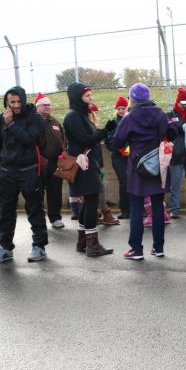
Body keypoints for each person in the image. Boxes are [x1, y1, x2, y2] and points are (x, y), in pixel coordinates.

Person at [111, 83, 174, 260]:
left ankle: (136, 249)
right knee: (157, 206)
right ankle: (159, 247)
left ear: (132, 98)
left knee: (136, 208)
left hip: (137, 167)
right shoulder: (160, 114)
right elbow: (169, 133)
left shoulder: (129, 118)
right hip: (157, 164)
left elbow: (117, 142)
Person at [0, 86, 48, 264]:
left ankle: (39, 246)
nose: (15, 105)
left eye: (17, 102)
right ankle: (5, 247)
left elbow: (29, 139)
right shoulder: (2, 118)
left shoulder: (34, 117)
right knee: (5, 212)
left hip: (29, 170)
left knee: (35, 209)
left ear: (23, 100)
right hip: (6, 172)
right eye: (11, 102)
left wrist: (11, 124)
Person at [62, 83, 115, 258]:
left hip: (87, 164)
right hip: (84, 166)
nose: (90, 99)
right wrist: (105, 132)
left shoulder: (79, 115)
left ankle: (83, 242)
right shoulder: (73, 116)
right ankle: (92, 246)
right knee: (91, 203)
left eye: (91, 96)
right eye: (87, 96)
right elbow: (85, 140)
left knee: (88, 203)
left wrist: (102, 131)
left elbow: (87, 137)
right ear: (77, 98)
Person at [33, 92, 67, 229]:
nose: (47, 107)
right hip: (38, 163)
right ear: (38, 107)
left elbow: (64, 139)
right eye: (44, 105)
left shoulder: (55, 122)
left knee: (55, 191)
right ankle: (38, 220)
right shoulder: (33, 121)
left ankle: (55, 217)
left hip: (55, 163)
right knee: (38, 193)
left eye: (49, 105)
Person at [166, 87, 186, 219]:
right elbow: (169, 131)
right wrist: (181, 127)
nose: (184, 106)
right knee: (175, 184)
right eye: (182, 103)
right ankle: (174, 209)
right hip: (175, 155)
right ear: (177, 102)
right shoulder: (170, 115)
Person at [104, 96, 130, 219]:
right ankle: (124, 210)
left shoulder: (132, 120)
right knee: (124, 182)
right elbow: (108, 140)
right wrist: (119, 148)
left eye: (123, 108)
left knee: (134, 182)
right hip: (118, 157)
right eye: (119, 108)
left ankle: (138, 208)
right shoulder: (113, 122)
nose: (121, 111)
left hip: (131, 156)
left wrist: (128, 148)